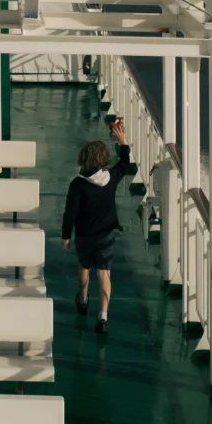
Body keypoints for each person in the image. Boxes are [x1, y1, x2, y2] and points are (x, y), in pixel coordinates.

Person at [62, 121, 130, 334]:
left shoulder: (77, 185)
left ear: (84, 159)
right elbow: (125, 163)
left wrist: (66, 235)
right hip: (106, 235)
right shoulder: (111, 179)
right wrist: (123, 141)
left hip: (84, 235)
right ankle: (103, 317)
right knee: (104, 274)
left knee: (84, 268)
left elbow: (70, 213)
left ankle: (82, 301)